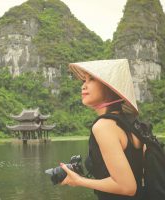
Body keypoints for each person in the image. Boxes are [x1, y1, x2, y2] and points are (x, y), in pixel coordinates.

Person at [60, 59, 144, 200]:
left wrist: (79, 181)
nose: (83, 86)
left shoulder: (104, 126)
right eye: (83, 81)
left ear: (109, 87)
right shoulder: (130, 122)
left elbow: (127, 187)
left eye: (91, 79)